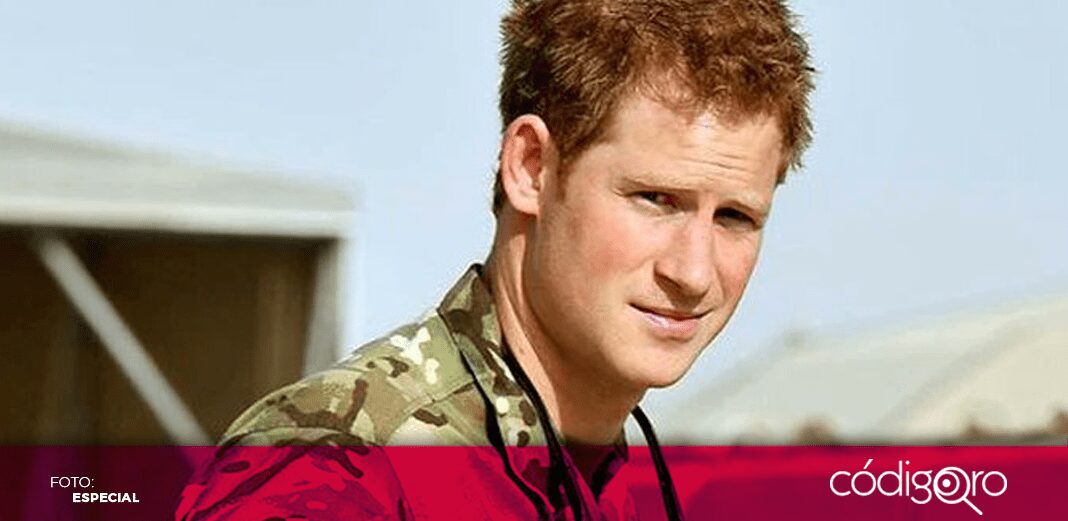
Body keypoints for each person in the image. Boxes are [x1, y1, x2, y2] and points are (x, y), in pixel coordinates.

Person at [175, 0, 813, 519]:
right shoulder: (337, 470)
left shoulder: (606, 484)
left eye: (735, 217)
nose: (694, 273)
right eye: (655, 199)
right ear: (531, 168)